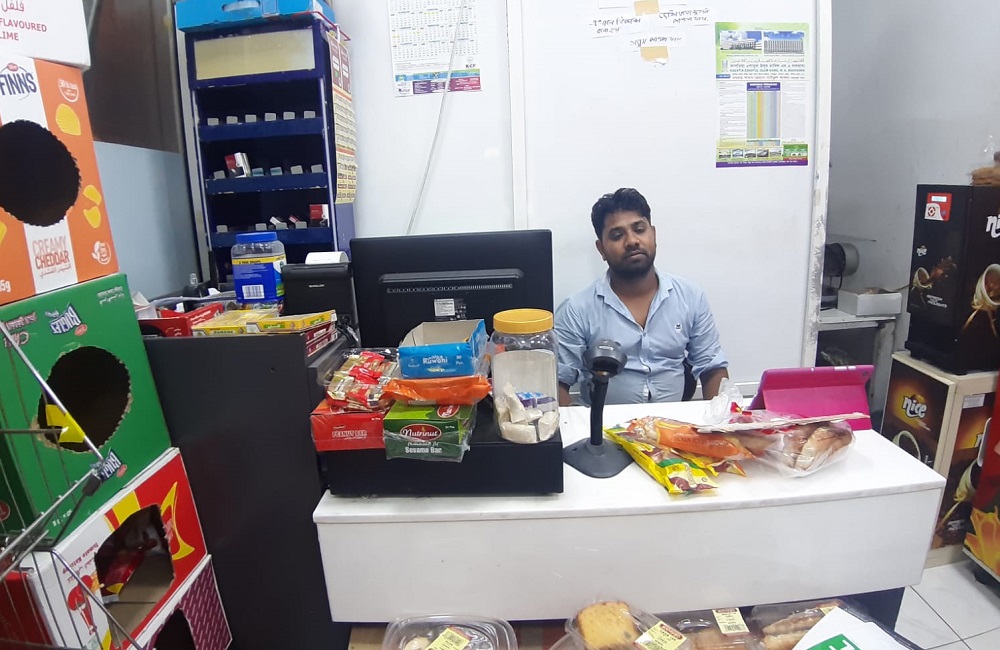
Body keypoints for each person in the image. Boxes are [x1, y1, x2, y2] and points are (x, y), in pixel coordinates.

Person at [554, 188, 729, 406]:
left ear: (653, 234)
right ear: (601, 249)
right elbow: (558, 381)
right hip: (603, 425)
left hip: (671, 423)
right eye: (617, 235)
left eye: (639, 229)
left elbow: (712, 367)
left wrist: (721, 420)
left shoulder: (690, 296)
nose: (632, 241)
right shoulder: (577, 309)